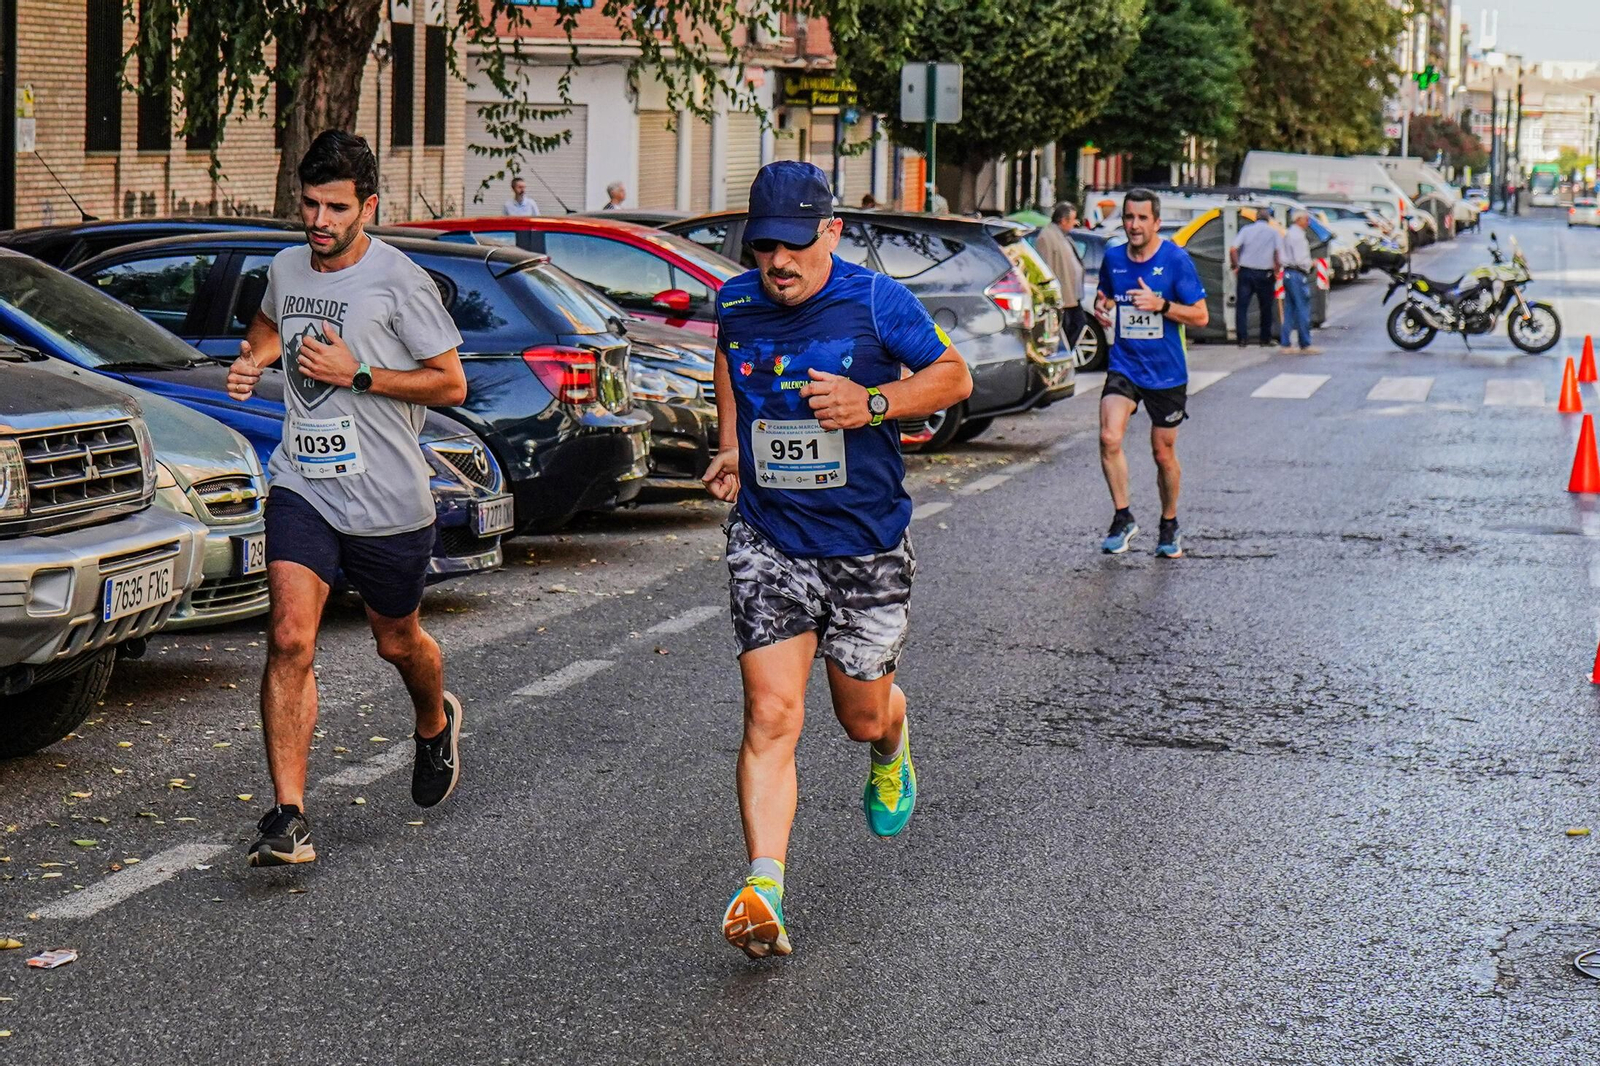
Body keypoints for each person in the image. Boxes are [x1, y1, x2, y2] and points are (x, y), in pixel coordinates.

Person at [702, 160, 973, 959]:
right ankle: (763, 889)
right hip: (770, 536)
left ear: (830, 231)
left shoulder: (876, 300)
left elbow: (952, 376)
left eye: (792, 246)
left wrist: (873, 404)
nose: (776, 264)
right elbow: (730, 356)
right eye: (763, 249)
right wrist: (732, 446)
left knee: (858, 716)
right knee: (772, 714)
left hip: (863, 543)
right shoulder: (738, 300)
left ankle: (893, 742)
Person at [225, 130, 470, 867]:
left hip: (390, 497)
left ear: (368, 205)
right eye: (310, 204)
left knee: (397, 639)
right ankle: (288, 816)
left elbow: (451, 383)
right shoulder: (285, 265)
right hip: (304, 482)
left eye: (336, 207)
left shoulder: (401, 282)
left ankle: (434, 720)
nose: (320, 221)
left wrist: (358, 374)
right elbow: (271, 321)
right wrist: (254, 357)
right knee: (291, 636)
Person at [1092, 188, 1209, 559]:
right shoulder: (1113, 258)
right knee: (1109, 436)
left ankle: (1169, 523)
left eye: (1142, 218)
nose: (1134, 225)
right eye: (1129, 217)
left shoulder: (1176, 260)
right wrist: (1103, 305)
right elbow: (1106, 294)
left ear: (1156, 222)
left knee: (1163, 453)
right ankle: (1123, 516)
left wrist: (1162, 305)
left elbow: (1201, 315)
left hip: (1166, 371)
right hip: (1124, 364)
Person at [1036, 201, 1087, 356]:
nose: (1075, 223)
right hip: (1062, 296)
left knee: (1078, 323)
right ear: (1063, 220)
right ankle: (1063, 355)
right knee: (1067, 328)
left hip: (1071, 295)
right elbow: (1045, 268)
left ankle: (1066, 353)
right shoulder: (1046, 236)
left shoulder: (1063, 236)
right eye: (1072, 219)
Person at [1228, 205, 1279, 346]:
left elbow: (1233, 249)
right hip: (1265, 273)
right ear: (1268, 219)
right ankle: (1264, 339)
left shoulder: (1246, 230)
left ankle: (1242, 339)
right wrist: (1277, 269)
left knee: (1242, 307)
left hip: (1246, 272)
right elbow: (1278, 252)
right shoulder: (1273, 232)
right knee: (1266, 307)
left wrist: (1235, 265)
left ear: (1256, 218)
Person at [1279, 210, 1316, 352]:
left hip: (1288, 273)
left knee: (1289, 309)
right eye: (1306, 219)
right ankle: (1305, 342)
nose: (1308, 222)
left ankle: (1285, 343)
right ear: (1299, 219)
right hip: (1297, 274)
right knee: (1302, 308)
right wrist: (1312, 263)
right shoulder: (1298, 237)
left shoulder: (1288, 233)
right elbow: (1301, 259)